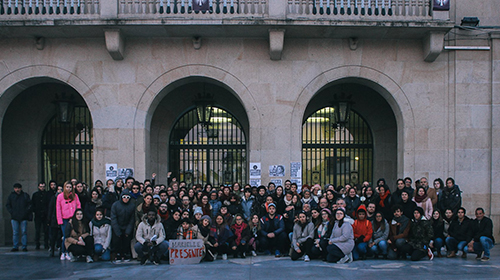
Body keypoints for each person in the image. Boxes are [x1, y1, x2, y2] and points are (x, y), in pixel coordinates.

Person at [56, 181, 81, 260]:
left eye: (70, 187)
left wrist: (78, 216)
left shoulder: (75, 196)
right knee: (65, 236)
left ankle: (69, 252)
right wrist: (60, 221)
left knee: (72, 236)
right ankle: (63, 252)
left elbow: (78, 206)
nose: (69, 189)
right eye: (67, 187)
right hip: (64, 219)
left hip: (73, 218)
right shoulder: (60, 197)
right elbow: (58, 209)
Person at [110, 189, 136, 263]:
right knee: (117, 241)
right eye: (124, 197)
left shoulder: (132, 206)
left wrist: (128, 230)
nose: (126, 199)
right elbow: (113, 218)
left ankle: (125, 254)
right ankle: (117, 254)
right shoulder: (115, 205)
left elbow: (132, 219)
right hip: (117, 226)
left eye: (128, 197)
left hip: (127, 226)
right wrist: (117, 230)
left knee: (126, 241)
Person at [6, 183, 32, 252]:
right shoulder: (11, 196)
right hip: (15, 217)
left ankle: (24, 246)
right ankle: (15, 246)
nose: (17, 190)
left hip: (23, 217)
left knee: (23, 232)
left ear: (21, 188)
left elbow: (29, 204)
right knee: (15, 232)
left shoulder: (25, 196)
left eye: (18, 188)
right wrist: (12, 212)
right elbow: (8, 205)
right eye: (16, 188)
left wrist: (25, 212)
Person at [32, 182, 49, 250]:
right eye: (41, 186)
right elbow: (32, 204)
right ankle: (37, 244)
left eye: (43, 186)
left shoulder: (47, 195)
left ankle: (46, 244)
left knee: (46, 230)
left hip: (45, 215)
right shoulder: (35, 195)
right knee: (37, 230)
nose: (42, 188)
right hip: (38, 214)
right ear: (38, 187)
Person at [47, 185, 63, 257]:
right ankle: (52, 249)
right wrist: (49, 220)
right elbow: (50, 209)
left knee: (61, 236)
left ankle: (61, 250)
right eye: (58, 189)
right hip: (54, 220)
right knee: (53, 236)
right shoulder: (53, 198)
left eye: (61, 189)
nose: (59, 191)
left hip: (62, 219)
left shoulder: (64, 198)